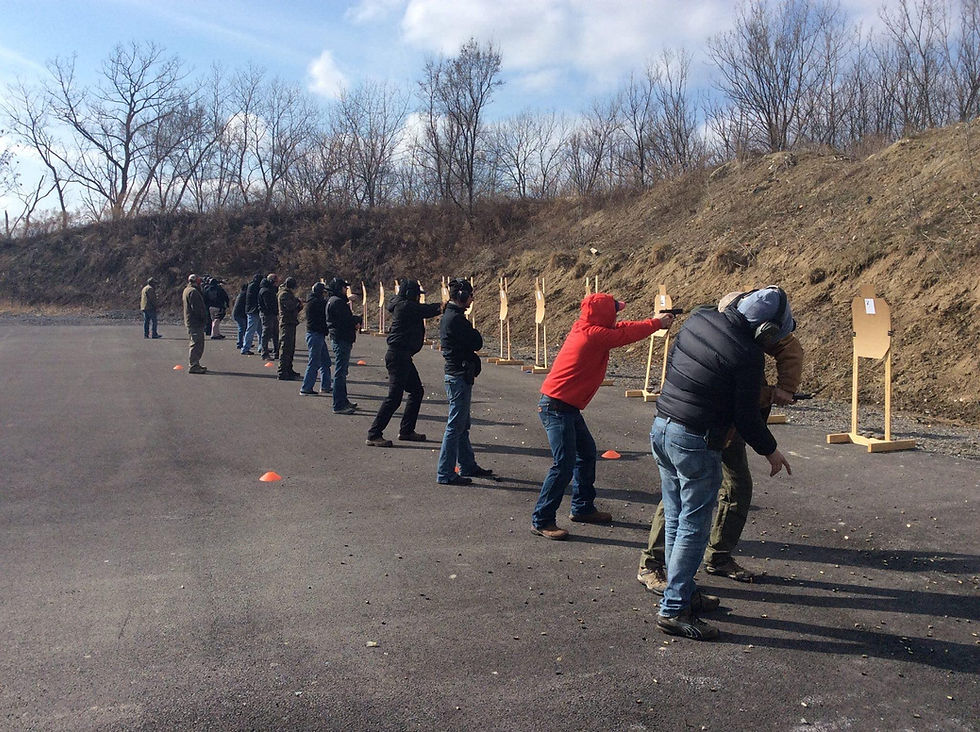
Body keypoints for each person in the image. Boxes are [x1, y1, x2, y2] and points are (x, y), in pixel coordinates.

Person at [646, 286, 794, 641]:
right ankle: (674, 609)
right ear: (766, 330)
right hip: (695, 440)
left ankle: (681, 591)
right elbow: (745, 416)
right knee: (692, 528)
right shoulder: (747, 355)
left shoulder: (698, 319)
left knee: (678, 518)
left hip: (662, 428)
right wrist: (771, 450)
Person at [531, 293, 674, 540]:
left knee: (585, 454)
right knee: (563, 464)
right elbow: (623, 334)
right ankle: (542, 519)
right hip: (557, 407)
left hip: (566, 407)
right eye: (614, 310)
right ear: (603, 315)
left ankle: (582, 507)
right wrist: (656, 324)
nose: (617, 314)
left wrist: (653, 321)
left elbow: (621, 328)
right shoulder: (592, 335)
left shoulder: (586, 327)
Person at [366, 278, 442, 447]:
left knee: (416, 391)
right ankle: (374, 434)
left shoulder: (402, 304)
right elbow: (426, 310)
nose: (418, 298)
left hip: (403, 356)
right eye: (416, 295)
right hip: (398, 356)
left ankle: (406, 430)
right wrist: (442, 306)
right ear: (410, 294)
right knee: (394, 398)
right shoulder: (405, 307)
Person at [436, 278, 492, 485]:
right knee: (455, 426)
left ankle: (467, 465)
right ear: (460, 296)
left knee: (462, 425)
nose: (471, 299)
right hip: (458, 376)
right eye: (469, 295)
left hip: (458, 375)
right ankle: (445, 472)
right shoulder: (456, 320)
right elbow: (476, 341)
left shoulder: (452, 316)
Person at [325, 277, 361, 415]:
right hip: (342, 339)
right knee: (340, 373)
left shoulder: (334, 301)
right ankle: (338, 404)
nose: (346, 290)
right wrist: (356, 320)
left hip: (340, 338)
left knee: (342, 372)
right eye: (344, 287)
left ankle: (343, 401)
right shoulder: (337, 302)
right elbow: (345, 320)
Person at [300, 282, 332, 396]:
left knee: (325, 362)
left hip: (317, 334)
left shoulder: (314, 301)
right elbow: (327, 304)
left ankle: (326, 386)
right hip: (315, 335)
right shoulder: (315, 303)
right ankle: (306, 388)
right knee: (314, 362)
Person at [277, 277, 304, 381]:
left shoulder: (287, 294)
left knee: (290, 348)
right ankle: (282, 371)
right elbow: (290, 306)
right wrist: (297, 303)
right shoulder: (284, 294)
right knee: (285, 348)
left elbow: (294, 307)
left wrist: (299, 305)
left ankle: (289, 369)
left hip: (291, 322)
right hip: (286, 323)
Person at [182, 274, 208, 374]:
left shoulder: (187, 290)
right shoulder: (193, 292)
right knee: (196, 343)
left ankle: (195, 363)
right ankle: (193, 365)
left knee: (197, 343)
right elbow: (197, 309)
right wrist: (203, 318)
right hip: (195, 321)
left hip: (192, 321)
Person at [258, 273, 280, 360]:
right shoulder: (265, 291)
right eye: (275, 282)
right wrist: (275, 310)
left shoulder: (270, 289)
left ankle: (276, 351)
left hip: (272, 314)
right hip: (267, 314)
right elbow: (269, 305)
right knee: (266, 334)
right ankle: (264, 353)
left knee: (275, 333)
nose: (276, 284)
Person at [241, 273, 264, 355]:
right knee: (251, 330)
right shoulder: (255, 287)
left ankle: (262, 347)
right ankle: (245, 348)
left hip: (252, 310)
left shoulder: (251, 285)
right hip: (253, 311)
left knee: (260, 330)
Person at [232, 283, 248, 350]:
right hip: (239, 314)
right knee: (241, 328)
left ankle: (243, 342)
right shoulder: (244, 295)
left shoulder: (241, 294)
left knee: (243, 328)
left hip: (238, 314)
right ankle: (240, 343)